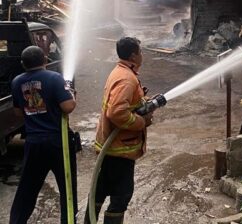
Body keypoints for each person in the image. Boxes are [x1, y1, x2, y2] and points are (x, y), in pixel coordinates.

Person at [85, 37, 153, 224]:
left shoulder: (121, 72)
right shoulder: (126, 79)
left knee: (99, 191)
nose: (142, 55)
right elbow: (116, 112)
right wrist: (141, 121)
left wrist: (141, 100)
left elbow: (122, 105)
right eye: (140, 51)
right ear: (133, 55)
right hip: (119, 150)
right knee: (121, 197)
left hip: (111, 148)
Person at [9, 46, 77, 224]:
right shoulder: (54, 78)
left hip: (33, 143)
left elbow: (18, 113)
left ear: (23, 64)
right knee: (67, 190)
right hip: (57, 142)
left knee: (27, 188)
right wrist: (71, 94)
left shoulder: (16, 82)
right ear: (45, 60)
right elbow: (68, 107)